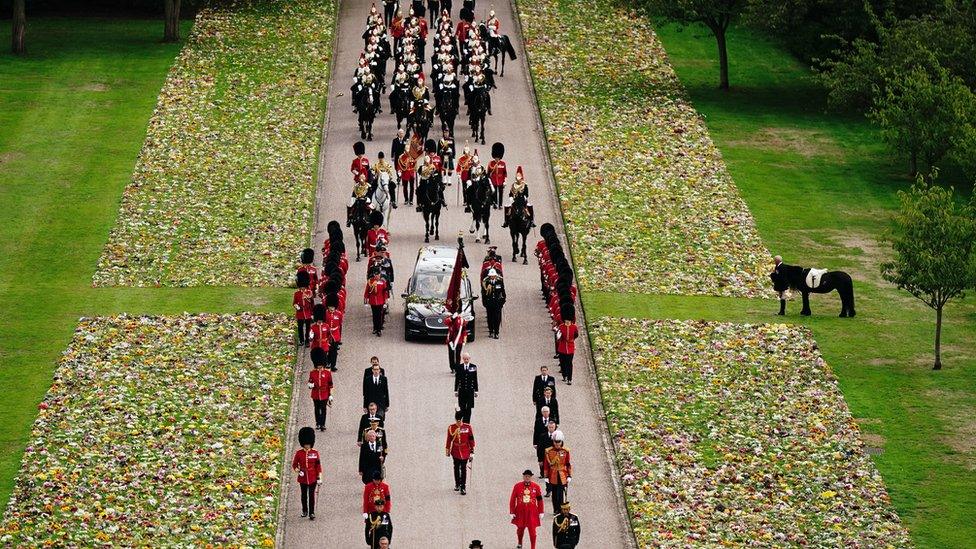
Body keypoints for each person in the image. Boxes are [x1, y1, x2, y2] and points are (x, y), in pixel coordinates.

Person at [509, 469, 545, 549]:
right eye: (526, 476)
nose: (527, 478)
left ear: (531, 477)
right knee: (520, 529)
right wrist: (512, 511)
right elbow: (512, 499)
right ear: (523, 477)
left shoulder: (536, 487)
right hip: (520, 512)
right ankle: (520, 542)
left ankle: (533, 547)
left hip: (532, 513)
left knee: (532, 531)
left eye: (529, 476)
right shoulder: (517, 486)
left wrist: (541, 511)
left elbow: (539, 500)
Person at [292, 427, 322, 520]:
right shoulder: (299, 453)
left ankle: (311, 512)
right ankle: (304, 510)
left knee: (311, 495)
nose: (307, 446)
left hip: (312, 476)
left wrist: (319, 477)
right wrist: (298, 471)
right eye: (306, 444)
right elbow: (294, 465)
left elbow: (318, 466)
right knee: (304, 495)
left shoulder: (315, 453)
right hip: (303, 477)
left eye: (308, 444)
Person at [445, 410, 475, 494]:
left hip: (465, 450)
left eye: (459, 420)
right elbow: (449, 439)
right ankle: (457, 484)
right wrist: (447, 450)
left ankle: (463, 486)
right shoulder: (451, 428)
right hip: (455, 450)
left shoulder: (467, 427)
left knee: (463, 468)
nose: (458, 422)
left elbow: (471, 439)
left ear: (462, 419)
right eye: (457, 420)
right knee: (456, 467)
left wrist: (472, 451)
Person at [544, 431, 572, 513]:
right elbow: (546, 465)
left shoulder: (565, 451)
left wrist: (569, 475)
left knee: (561, 493)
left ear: (561, 442)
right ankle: (555, 509)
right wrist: (546, 476)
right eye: (555, 442)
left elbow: (568, 464)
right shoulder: (548, 451)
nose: (557, 444)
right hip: (553, 475)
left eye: (558, 442)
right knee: (555, 494)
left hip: (562, 474)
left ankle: (561, 509)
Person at [308, 348, 334, 431]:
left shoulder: (327, 373)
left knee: (323, 409)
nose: (319, 367)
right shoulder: (312, 373)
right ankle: (317, 423)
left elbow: (330, 385)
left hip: (324, 393)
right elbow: (310, 382)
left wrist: (330, 395)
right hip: (315, 393)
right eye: (318, 365)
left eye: (320, 365)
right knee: (316, 408)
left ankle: (322, 424)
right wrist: (310, 385)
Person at [364, 270, 391, 336]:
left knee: (379, 316)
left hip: (380, 301)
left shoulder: (382, 282)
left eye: (378, 275)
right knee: (374, 315)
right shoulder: (370, 281)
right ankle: (375, 328)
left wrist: (386, 301)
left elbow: (385, 292)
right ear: (374, 275)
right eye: (377, 275)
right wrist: (366, 300)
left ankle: (379, 330)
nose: (378, 276)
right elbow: (367, 291)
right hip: (373, 301)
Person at [481, 268, 506, 338]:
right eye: (491, 276)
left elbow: (503, 291)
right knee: (490, 318)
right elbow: (483, 293)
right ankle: (491, 331)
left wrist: (503, 301)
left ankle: (496, 332)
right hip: (489, 303)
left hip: (497, 303)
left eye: (493, 276)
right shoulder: (486, 282)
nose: (492, 277)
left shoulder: (499, 281)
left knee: (497, 318)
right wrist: (485, 302)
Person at [454, 352, 479, 422]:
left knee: (469, 408)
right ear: (463, 359)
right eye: (465, 359)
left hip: (470, 391)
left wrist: (476, 390)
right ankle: (459, 417)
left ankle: (466, 423)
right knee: (462, 407)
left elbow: (475, 379)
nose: (466, 360)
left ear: (469, 359)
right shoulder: (459, 367)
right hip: (462, 391)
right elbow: (457, 379)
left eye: (467, 359)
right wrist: (456, 390)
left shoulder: (473, 367)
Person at [534, 417, 557, 491]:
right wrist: (540, 459)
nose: (551, 429)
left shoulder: (558, 436)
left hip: (555, 459)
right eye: (550, 427)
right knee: (547, 475)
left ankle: (553, 488)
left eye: (552, 427)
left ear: (555, 427)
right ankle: (548, 489)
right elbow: (540, 449)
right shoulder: (543, 436)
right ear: (548, 427)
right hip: (545, 459)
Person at [556, 316, 580, 385]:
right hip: (562, 347)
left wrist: (571, 340)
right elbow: (558, 337)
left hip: (570, 347)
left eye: (568, 320)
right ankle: (564, 375)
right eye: (566, 320)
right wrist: (559, 337)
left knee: (569, 363)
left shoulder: (574, 327)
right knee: (562, 362)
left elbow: (576, 335)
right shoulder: (561, 326)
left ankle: (569, 379)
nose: (567, 321)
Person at [293, 271, 314, 346]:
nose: (302, 287)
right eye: (301, 286)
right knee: (300, 328)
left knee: (308, 328)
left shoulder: (309, 292)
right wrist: (297, 307)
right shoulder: (297, 294)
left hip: (307, 312)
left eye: (303, 286)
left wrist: (312, 313)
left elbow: (312, 303)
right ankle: (301, 340)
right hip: (300, 313)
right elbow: (294, 303)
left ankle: (307, 340)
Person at [324, 293, 344, 371]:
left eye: (333, 307)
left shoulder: (338, 314)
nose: (331, 308)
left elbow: (339, 324)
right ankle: (328, 362)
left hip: (335, 334)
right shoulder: (325, 313)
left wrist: (338, 336)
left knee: (334, 351)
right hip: (327, 334)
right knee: (328, 350)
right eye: (330, 307)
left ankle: (333, 365)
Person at [487, 142, 507, 209]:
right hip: (494, 180)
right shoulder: (491, 163)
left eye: (498, 157)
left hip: (500, 180)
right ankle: (495, 203)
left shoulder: (503, 163)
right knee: (494, 193)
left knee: (501, 193)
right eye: (496, 157)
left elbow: (505, 173)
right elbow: (488, 173)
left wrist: (505, 181)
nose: (497, 159)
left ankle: (500, 204)